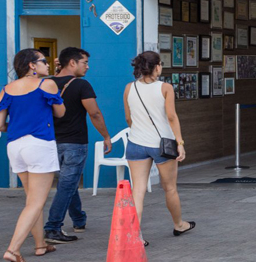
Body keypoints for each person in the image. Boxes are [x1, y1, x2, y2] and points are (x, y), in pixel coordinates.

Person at [0, 49, 66, 261]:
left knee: (32, 200)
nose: (47, 65)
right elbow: (61, 113)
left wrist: (18, 125)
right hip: (40, 144)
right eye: (43, 61)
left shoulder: (6, 89)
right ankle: (13, 250)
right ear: (32, 66)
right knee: (36, 202)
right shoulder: (47, 84)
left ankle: (40, 245)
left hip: (15, 146)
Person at [123, 51, 195, 245]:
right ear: (156, 67)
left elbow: (129, 119)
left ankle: (135, 236)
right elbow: (171, 117)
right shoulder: (165, 88)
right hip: (162, 144)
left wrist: (140, 131)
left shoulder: (129, 88)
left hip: (136, 143)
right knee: (170, 188)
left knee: (138, 191)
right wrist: (180, 143)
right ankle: (179, 224)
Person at [43, 47, 113, 244]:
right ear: (72, 63)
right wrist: (106, 136)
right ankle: (52, 227)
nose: (88, 67)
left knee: (69, 182)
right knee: (67, 184)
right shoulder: (81, 85)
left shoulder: (46, 83)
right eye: (85, 62)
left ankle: (79, 220)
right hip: (74, 143)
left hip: (49, 142)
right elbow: (94, 113)